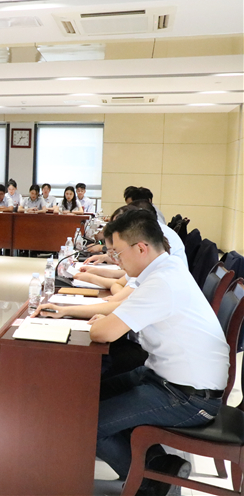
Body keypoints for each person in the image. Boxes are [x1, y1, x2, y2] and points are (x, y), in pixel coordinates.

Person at [88, 209, 228, 496]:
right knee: (87, 398)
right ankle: (161, 466)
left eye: (118, 253)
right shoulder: (164, 269)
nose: (116, 260)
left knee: (87, 424)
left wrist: (107, 323)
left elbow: (101, 333)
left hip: (187, 396)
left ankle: (150, 483)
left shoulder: (162, 281)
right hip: (165, 378)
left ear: (141, 248)